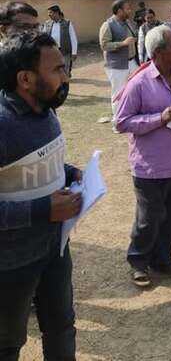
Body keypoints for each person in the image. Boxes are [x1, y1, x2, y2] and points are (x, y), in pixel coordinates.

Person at [0, 31, 82, 360]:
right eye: (57, 70)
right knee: (7, 344)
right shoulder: (3, 125)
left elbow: (40, 161)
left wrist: (70, 173)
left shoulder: (47, 110)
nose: (66, 77)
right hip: (11, 264)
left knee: (61, 327)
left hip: (54, 249)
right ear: (25, 79)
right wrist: (43, 210)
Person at [115, 25, 171, 287]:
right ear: (157, 52)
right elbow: (121, 122)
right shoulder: (139, 84)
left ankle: (163, 260)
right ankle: (138, 261)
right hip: (150, 167)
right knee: (149, 219)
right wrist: (160, 118)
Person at [99, 0, 139, 129]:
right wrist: (122, 44)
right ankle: (117, 123)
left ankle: (131, 116)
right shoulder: (108, 25)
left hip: (132, 62)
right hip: (117, 66)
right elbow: (104, 45)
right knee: (118, 93)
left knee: (136, 88)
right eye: (127, 9)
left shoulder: (128, 23)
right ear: (119, 11)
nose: (130, 11)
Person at [43, 5, 78, 77]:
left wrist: (74, 52)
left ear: (56, 13)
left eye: (50, 12)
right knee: (53, 69)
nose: (49, 15)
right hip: (52, 51)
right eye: (48, 13)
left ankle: (65, 81)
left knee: (65, 70)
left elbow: (73, 38)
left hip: (64, 51)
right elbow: (43, 38)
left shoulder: (67, 23)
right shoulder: (47, 24)